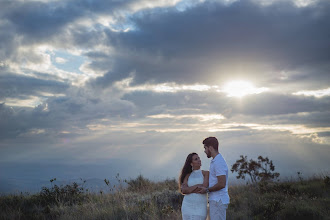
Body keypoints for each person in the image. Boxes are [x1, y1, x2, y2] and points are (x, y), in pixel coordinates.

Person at [198, 137, 230, 220]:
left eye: (205, 148)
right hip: (216, 200)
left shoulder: (218, 162)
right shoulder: (215, 161)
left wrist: (207, 190)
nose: (204, 151)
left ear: (210, 148)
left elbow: (221, 184)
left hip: (218, 200)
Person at [179, 152, 209, 220]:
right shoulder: (187, 175)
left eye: (199, 158)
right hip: (187, 206)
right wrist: (197, 185)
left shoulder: (206, 173)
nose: (199, 160)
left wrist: (189, 189)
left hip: (200, 206)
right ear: (191, 163)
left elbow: (203, 189)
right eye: (196, 159)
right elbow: (184, 190)